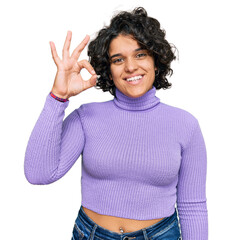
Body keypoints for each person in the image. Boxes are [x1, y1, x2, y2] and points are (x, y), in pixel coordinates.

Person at [24, 7, 208, 240]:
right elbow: (38, 173)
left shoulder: (185, 125)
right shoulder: (86, 118)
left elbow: (193, 207)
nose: (130, 67)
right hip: (91, 234)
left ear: (156, 61)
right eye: (118, 59)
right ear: (108, 71)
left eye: (140, 54)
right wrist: (58, 97)